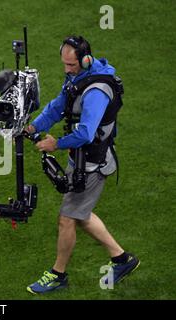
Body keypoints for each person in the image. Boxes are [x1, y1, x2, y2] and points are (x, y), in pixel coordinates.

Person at [25, 36, 140, 294]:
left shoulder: (97, 91)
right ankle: (122, 259)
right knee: (81, 214)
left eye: (71, 65)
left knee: (67, 218)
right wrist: (34, 127)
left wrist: (55, 144)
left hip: (92, 164)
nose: (67, 70)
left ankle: (58, 274)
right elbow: (57, 107)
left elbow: (87, 133)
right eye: (64, 64)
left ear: (86, 60)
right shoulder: (79, 78)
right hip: (81, 158)